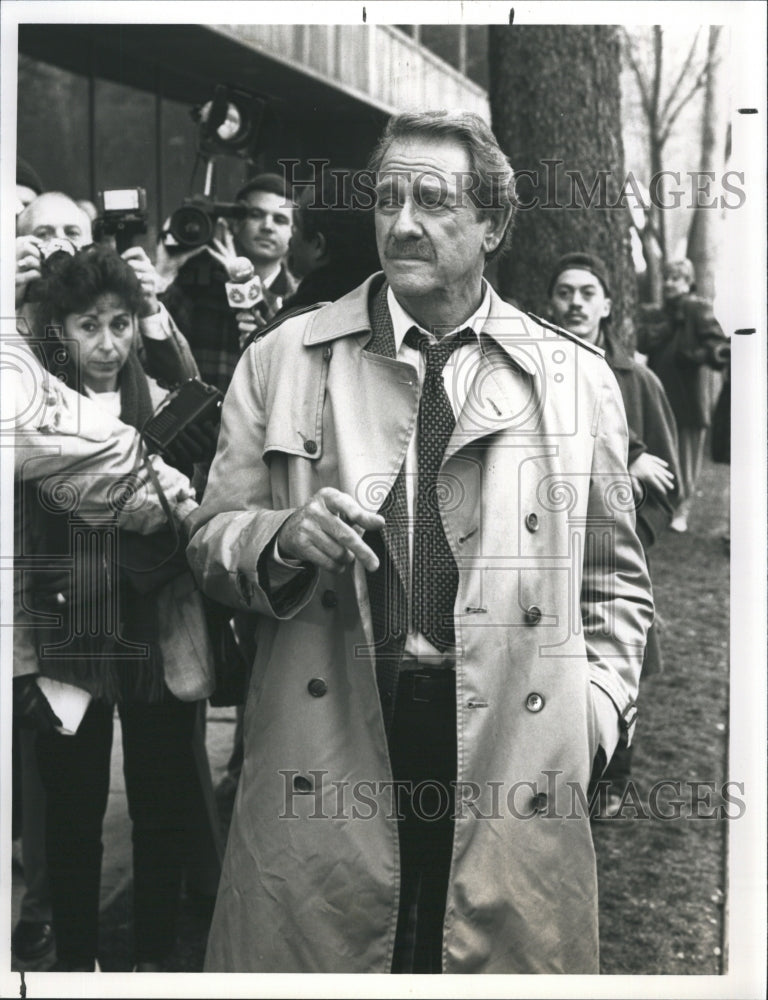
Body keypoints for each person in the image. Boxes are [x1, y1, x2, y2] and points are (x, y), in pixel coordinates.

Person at [186, 110, 653, 974]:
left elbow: (616, 584)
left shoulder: (578, 379)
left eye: (434, 201)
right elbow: (211, 538)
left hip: (515, 743)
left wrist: (591, 718)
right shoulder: (284, 358)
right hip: (329, 741)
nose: (402, 223)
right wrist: (284, 538)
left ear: (494, 226)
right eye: (388, 198)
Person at [15, 244, 218, 972]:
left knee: (158, 807)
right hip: (70, 624)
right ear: (58, 329)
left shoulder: (163, 392)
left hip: (156, 621)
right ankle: (74, 965)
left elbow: (208, 429)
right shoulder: (33, 404)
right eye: (88, 326)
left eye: (120, 323)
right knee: (72, 815)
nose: (107, 344)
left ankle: (155, 962)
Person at [548, 251, 681, 816]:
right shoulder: (535, 369)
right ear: (548, 303)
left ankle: (612, 775)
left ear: (606, 305)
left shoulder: (636, 379)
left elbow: (668, 485)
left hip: (611, 560)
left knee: (618, 660)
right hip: (547, 554)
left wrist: (629, 525)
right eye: (563, 292)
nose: (575, 302)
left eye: (587, 292)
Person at [161, 173, 297, 392]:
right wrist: (165, 273)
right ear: (234, 223)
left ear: (294, 232)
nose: (267, 226)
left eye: (279, 219)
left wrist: (242, 279)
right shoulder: (198, 287)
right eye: (256, 214)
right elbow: (157, 349)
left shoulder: (298, 296)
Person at [636, 258, 729, 533]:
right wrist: (668, 326)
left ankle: (682, 510)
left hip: (689, 398)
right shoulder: (655, 312)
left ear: (689, 282)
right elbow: (642, 341)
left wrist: (696, 355)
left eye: (676, 278)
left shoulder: (698, 309)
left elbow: (718, 347)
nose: (669, 283)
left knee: (686, 458)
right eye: (666, 277)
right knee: (657, 453)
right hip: (659, 396)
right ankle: (659, 506)